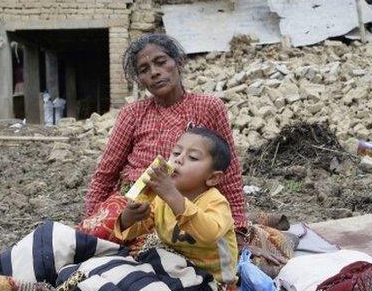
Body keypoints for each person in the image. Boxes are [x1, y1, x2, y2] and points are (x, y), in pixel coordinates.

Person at [79, 33, 247, 241]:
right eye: (144, 70)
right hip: (136, 206)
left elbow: (228, 172)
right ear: (140, 80)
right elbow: (106, 173)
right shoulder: (133, 114)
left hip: (185, 203)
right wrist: (93, 219)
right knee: (90, 241)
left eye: (161, 62)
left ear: (178, 62)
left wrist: (238, 226)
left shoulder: (208, 107)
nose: (155, 73)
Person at [115, 127, 238, 285]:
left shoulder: (216, 202)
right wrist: (128, 218)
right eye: (176, 153)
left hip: (213, 281)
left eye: (193, 157)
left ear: (213, 178)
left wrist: (172, 195)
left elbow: (209, 234)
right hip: (175, 270)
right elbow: (137, 229)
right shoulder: (160, 199)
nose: (178, 160)